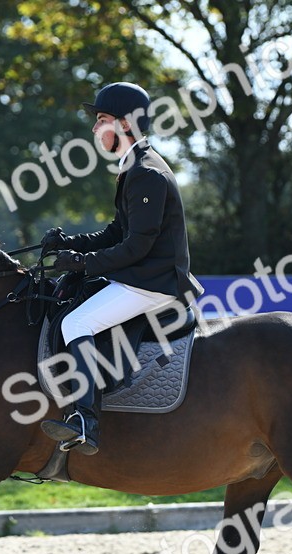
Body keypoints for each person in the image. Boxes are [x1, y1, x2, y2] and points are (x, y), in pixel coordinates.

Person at [39, 82, 203, 456]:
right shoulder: (134, 166)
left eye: (101, 120)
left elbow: (138, 245)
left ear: (125, 123)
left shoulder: (146, 172)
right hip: (143, 276)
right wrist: (71, 243)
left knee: (74, 324)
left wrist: (83, 263)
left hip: (153, 282)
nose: (95, 130)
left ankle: (84, 420)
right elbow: (117, 232)